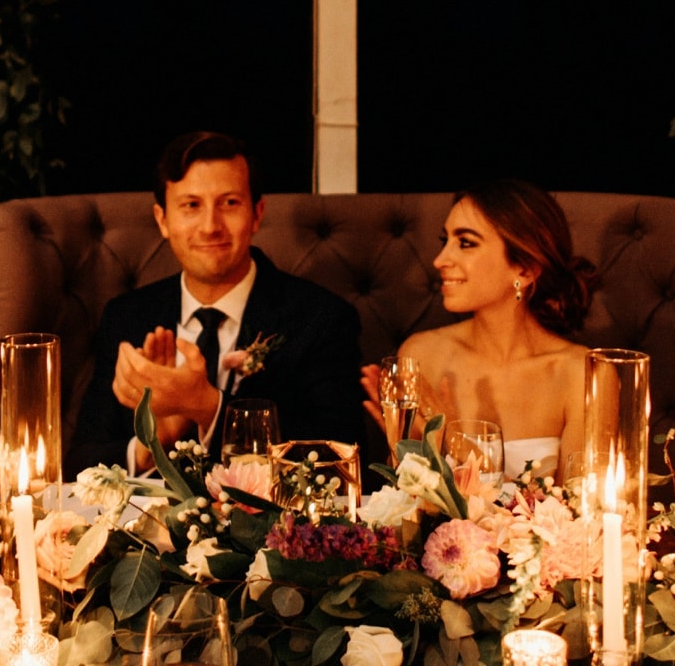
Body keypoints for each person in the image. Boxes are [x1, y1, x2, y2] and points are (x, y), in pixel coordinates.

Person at [68, 131, 365, 475]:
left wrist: (208, 407)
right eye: (191, 205)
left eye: (229, 203)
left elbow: (341, 463)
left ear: (257, 214)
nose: (210, 226)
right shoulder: (127, 317)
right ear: (162, 220)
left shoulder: (322, 318)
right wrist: (154, 445)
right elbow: (80, 464)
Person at [364, 179, 592, 481]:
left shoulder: (581, 373)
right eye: (445, 241)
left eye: (466, 243)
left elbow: (582, 519)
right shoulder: (423, 356)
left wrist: (458, 446)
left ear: (524, 269)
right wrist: (408, 459)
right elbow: (408, 515)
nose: (440, 260)